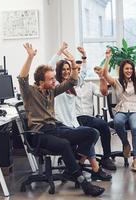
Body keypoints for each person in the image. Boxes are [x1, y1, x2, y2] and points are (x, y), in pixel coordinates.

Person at [18, 43, 105, 197]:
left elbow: (72, 82)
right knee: (64, 145)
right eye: (51, 79)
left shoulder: (52, 91)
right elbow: (22, 78)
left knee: (92, 133)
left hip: (56, 128)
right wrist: (30, 57)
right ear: (40, 82)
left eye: (53, 79)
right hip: (40, 134)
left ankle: (73, 168)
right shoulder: (30, 92)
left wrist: (73, 63)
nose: (54, 81)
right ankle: (84, 184)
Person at [52, 45, 112, 180]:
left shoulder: (72, 85)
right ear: (58, 72)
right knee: (91, 134)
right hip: (62, 124)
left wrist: (84, 57)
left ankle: (78, 163)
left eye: (68, 69)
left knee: (93, 133)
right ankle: (94, 168)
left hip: (73, 123)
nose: (66, 72)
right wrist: (59, 51)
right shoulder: (55, 85)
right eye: (63, 70)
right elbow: (50, 67)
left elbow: (83, 73)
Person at [98, 49, 136, 172]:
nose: (129, 71)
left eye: (131, 69)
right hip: (122, 110)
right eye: (126, 69)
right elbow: (105, 74)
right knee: (117, 122)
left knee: (135, 128)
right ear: (122, 70)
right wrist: (107, 58)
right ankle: (125, 143)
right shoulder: (116, 82)